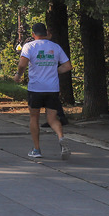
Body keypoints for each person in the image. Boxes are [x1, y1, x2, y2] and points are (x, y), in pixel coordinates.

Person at [14, 22, 72, 160]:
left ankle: (36, 149)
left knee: (34, 118)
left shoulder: (29, 46)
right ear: (46, 33)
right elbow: (68, 66)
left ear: (33, 34)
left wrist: (18, 75)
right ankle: (61, 137)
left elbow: (22, 64)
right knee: (52, 119)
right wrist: (55, 71)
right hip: (52, 89)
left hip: (36, 88)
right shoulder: (55, 47)